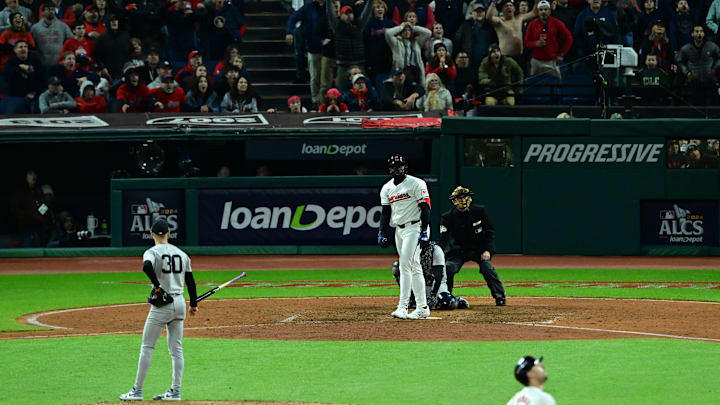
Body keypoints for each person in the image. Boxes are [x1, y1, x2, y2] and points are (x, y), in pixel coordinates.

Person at [119, 218, 198, 402]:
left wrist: (157, 286)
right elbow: (191, 282)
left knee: (147, 346)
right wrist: (193, 304)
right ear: (169, 233)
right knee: (176, 350)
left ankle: (137, 391)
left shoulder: (151, 252)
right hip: (179, 304)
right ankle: (175, 392)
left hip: (162, 305)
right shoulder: (183, 254)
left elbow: (146, 266)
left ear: (152, 234)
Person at [377, 154, 431, 320]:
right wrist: (381, 231)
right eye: (394, 166)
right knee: (414, 266)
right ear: (390, 169)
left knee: (404, 265)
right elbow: (386, 213)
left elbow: (426, 208)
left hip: (415, 227)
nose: (397, 169)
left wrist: (423, 230)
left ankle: (403, 306)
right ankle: (422, 307)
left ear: (405, 167)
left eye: (400, 165)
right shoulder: (386, 188)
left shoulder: (416, 183)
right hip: (399, 230)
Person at [439, 186, 507, 306]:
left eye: (464, 197)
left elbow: (489, 232)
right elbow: (443, 239)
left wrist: (487, 250)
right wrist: (440, 255)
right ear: (454, 200)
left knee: (487, 268)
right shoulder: (447, 217)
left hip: (479, 249)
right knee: (448, 268)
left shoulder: (480, 211)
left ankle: (500, 297)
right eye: (459, 198)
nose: (463, 200)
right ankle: (446, 297)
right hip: (458, 250)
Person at [391, 242, 470, 310]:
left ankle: (455, 299)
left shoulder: (435, 250)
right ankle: (411, 298)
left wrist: (433, 295)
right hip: (418, 283)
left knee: (446, 303)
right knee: (397, 267)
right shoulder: (410, 249)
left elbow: (438, 277)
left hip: (435, 284)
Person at [327, 0, 373, 91]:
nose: (349, 15)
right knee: (340, 89)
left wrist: (370, 1)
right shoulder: (337, 26)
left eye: (350, 13)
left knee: (363, 90)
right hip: (343, 65)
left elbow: (366, 13)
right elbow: (330, 13)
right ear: (341, 15)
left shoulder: (359, 25)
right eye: (346, 13)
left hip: (359, 64)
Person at [524, 0, 573, 80]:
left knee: (557, 86)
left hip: (552, 61)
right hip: (536, 61)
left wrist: (562, 54)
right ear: (538, 11)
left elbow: (569, 38)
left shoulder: (557, 23)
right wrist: (536, 43)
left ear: (550, 11)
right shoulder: (532, 24)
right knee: (535, 86)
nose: (543, 12)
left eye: (546, 9)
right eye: (541, 10)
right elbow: (526, 42)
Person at [486, 0, 539, 70]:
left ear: (514, 9)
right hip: (506, 58)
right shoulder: (499, 21)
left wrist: (537, 1)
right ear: (502, 10)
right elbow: (488, 17)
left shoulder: (519, 18)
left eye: (511, 6)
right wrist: (494, 2)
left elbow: (534, 12)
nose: (509, 7)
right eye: (506, 6)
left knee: (522, 78)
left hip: (520, 57)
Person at [675, 25, 720, 105]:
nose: (699, 33)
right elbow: (679, 61)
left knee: (713, 106)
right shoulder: (686, 48)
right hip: (694, 82)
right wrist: (687, 72)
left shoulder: (711, 46)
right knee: (696, 107)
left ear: (704, 34)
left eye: (701, 31)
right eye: (697, 31)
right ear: (692, 34)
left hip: (709, 81)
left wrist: (714, 68)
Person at [385, 21, 432, 86]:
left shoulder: (417, 42)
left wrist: (413, 27)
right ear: (401, 32)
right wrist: (401, 27)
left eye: (409, 30)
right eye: (405, 30)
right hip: (401, 71)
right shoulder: (396, 42)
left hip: (415, 72)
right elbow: (388, 33)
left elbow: (428, 33)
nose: (407, 32)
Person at [454, 3, 497, 71]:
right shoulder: (465, 25)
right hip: (469, 63)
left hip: (486, 63)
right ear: (472, 13)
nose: (479, 13)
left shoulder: (490, 27)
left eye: (481, 11)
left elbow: (495, 42)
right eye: (476, 11)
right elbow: (457, 41)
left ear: (485, 13)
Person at [30, 0, 72, 66]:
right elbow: (32, 46)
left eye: (52, 9)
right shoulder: (35, 28)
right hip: (42, 63)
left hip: (59, 63)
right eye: (48, 9)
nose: (51, 11)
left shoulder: (63, 26)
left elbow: (71, 40)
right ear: (42, 12)